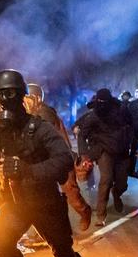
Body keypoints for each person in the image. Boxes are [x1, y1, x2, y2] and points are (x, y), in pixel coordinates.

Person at [0, 69, 93, 257]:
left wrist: (28, 170)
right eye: (0, 96)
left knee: (64, 254)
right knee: (2, 248)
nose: (4, 100)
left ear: (22, 96)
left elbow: (64, 158)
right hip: (15, 203)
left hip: (44, 201)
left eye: (10, 94)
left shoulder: (40, 128)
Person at [25, 83, 92, 231]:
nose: (24, 103)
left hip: (61, 159)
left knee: (71, 193)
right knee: (41, 197)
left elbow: (37, 137)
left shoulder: (44, 114)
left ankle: (85, 211)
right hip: (46, 162)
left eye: (27, 99)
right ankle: (45, 231)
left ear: (36, 98)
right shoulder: (31, 115)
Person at [75, 88, 134, 226]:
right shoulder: (93, 115)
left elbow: (132, 124)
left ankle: (117, 194)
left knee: (122, 183)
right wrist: (84, 155)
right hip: (104, 150)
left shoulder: (121, 110)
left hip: (122, 150)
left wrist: (134, 139)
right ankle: (101, 215)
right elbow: (82, 135)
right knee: (106, 179)